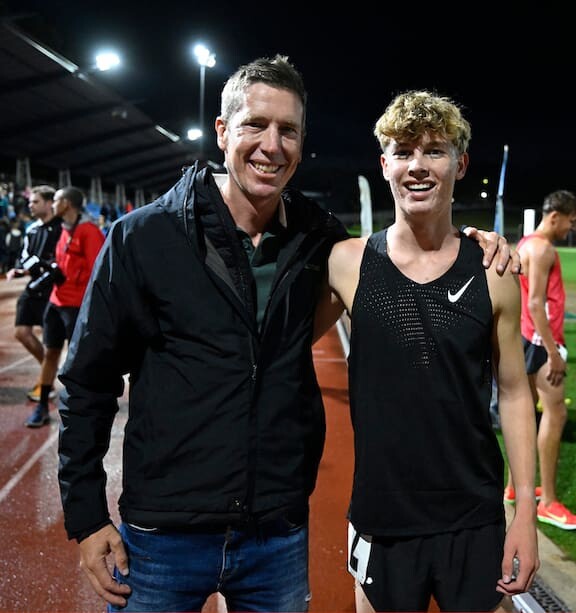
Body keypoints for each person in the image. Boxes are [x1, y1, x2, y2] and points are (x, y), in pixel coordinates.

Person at [56, 57, 515, 613]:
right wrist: (87, 517)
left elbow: (407, 253)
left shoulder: (319, 241)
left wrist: (475, 242)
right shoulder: (143, 237)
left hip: (274, 535)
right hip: (162, 536)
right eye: (255, 124)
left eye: (288, 130)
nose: (271, 146)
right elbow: (88, 382)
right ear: (222, 131)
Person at [317, 90, 539, 612]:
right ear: (384, 165)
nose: (417, 165)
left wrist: (526, 514)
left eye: (434, 150)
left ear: (460, 164)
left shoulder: (493, 271)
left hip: (473, 515)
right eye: (402, 151)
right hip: (381, 516)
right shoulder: (347, 263)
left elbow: (513, 394)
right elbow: (278, 345)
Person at [504, 189, 576, 530]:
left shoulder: (525, 243)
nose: (571, 227)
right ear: (555, 216)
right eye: (571, 220)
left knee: (524, 413)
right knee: (555, 413)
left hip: (525, 338)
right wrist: (553, 351)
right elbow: (536, 302)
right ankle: (547, 502)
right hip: (539, 341)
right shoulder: (544, 248)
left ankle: (512, 487)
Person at [25, 186, 104, 427]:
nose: (52, 204)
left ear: (67, 204)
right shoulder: (64, 229)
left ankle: (81, 408)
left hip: (76, 306)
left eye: (56, 200)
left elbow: (98, 271)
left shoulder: (89, 232)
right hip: (56, 302)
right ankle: (41, 407)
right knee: (50, 353)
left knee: (79, 359)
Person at [5, 185, 62, 401]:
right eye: (30, 201)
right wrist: (19, 269)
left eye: (35, 201)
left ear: (49, 203)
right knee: (22, 332)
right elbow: (25, 257)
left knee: (52, 342)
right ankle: (48, 372)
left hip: (54, 290)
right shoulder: (31, 229)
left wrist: (45, 266)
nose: (30, 205)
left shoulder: (61, 229)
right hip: (34, 288)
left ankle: (47, 381)